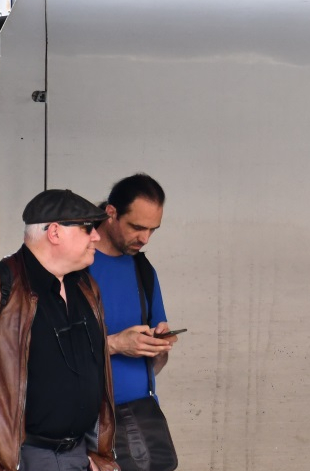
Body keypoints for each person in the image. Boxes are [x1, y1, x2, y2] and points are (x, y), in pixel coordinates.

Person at [0, 189, 118, 471]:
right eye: (87, 228)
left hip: (80, 454)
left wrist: (99, 455)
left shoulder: (87, 288)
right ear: (55, 232)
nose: (96, 236)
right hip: (23, 458)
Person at [86, 174, 178, 470]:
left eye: (153, 230)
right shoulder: (74, 266)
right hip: (83, 424)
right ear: (111, 213)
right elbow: (39, 350)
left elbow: (153, 368)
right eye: (137, 227)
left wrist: (157, 349)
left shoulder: (143, 270)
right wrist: (113, 344)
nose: (145, 239)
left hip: (139, 418)